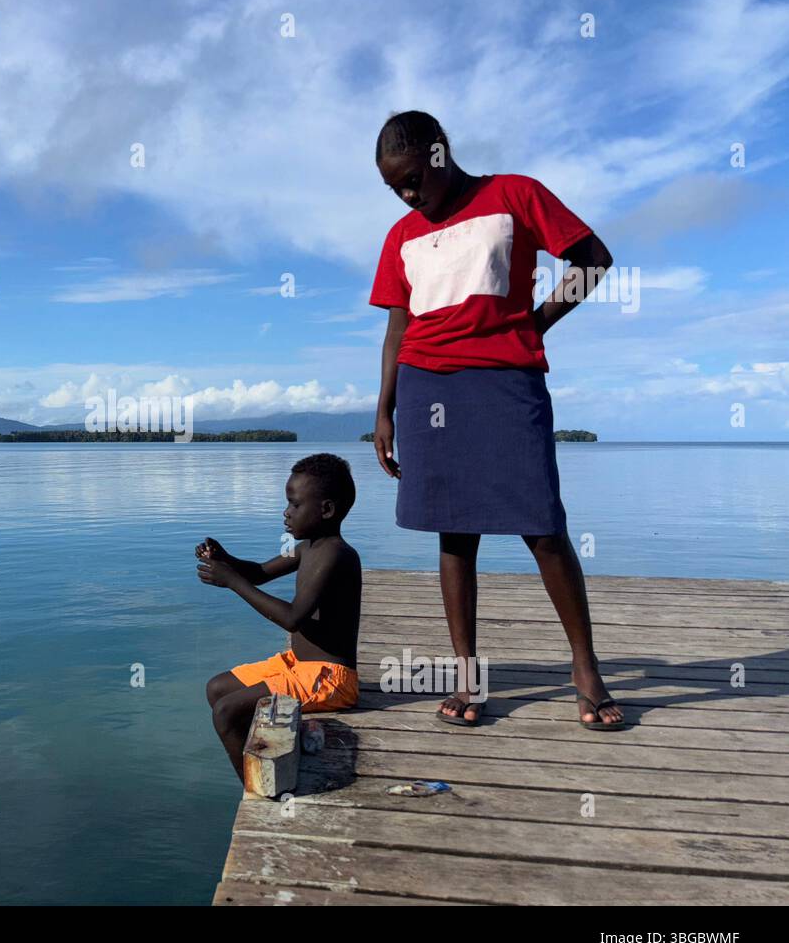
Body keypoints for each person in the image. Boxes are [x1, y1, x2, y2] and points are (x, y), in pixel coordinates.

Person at [370, 109, 625, 730]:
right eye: (393, 188)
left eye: (412, 180)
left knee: (541, 523)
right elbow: (398, 326)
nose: (407, 195)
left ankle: (585, 666)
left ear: (438, 154)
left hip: (507, 381)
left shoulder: (514, 195)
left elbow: (592, 258)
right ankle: (467, 673)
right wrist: (384, 408)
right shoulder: (402, 235)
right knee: (454, 532)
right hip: (427, 384)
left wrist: (534, 322)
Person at [201, 453, 363, 782]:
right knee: (217, 688)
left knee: (226, 712)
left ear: (326, 510)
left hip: (329, 679)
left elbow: (292, 618)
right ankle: (272, 754)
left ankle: (257, 788)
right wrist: (226, 559)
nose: (286, 513)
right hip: (299, 665)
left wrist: (232, 582)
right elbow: (259, 572)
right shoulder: (307, 548)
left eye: (294, 504)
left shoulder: (335, 555)